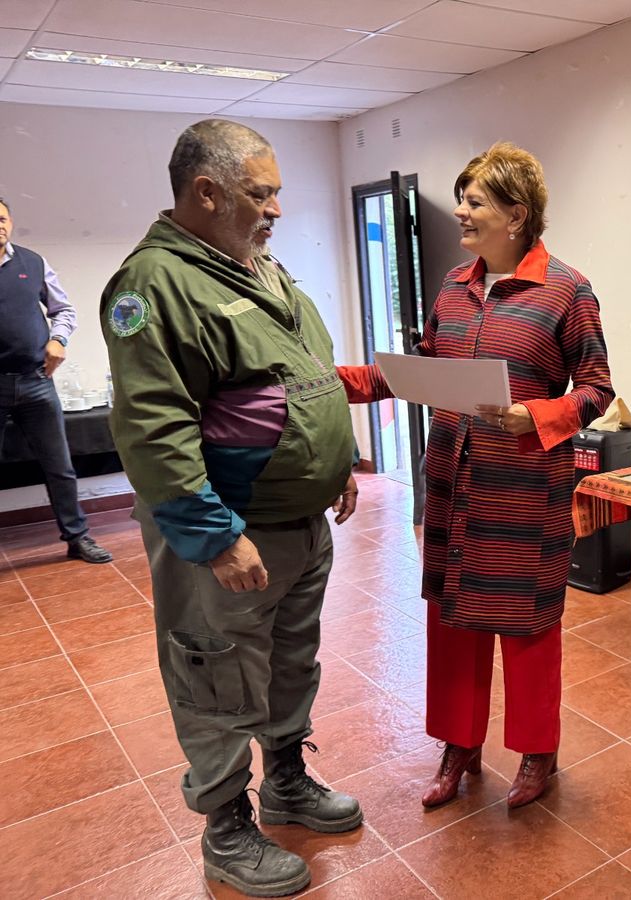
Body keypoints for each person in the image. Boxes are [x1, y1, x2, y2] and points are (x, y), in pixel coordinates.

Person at [101, 120, 362, 898]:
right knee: (215, 675)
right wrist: (215, 536)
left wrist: (338, 463)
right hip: (231, 529)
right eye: (261, 192)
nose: (276, 208)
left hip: (299, 522)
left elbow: (307, 372)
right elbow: (153, 427)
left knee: (290, 663)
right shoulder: (154, 286)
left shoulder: (257, 265)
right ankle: (226, 828)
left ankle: (286, 782)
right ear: (206, 191)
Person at [338, 142, 614, 811]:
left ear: (516, 215)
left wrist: (536, 415)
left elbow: (597, 389)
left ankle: (537, 751)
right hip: (453, 485)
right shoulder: (454, 289)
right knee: (452, 621)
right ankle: (457, 745)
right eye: (462, 200)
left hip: (524, 491)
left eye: (475, 201)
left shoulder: (567, 291)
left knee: (528, 625)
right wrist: (334, 382)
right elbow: (423, 369)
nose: (461, 211)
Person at [0, 198, 112, 564]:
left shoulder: (32, 262)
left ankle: (77, 538)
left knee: (59, 467)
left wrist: (58, 339)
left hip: (36, 381)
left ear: (10, 222)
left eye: (2, 218)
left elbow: (63, 309)